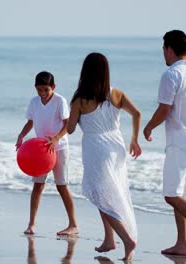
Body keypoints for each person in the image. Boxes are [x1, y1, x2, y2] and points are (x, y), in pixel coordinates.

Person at [66, 52, 142, 261]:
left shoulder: (80, 99)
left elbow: (71, 129)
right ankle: (109, 239)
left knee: (99, 194)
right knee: (107, 193)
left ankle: (126, 239)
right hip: (116, 146)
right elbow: (137, 113)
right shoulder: (115, 93)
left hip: (96, 148)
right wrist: (134, 139)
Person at [16, 71, 78, 236]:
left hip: (59, 148)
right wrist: (21, 135)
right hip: (40, 151)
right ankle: (31, 224)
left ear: (53, 87)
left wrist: (57, 138)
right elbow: (30, 122)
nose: (42, 94)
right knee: (38, 186)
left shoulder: (60, 101)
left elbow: (68, 124)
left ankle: (73, 224)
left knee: (62, 186)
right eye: (39, 90)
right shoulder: (34, 102)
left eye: (46, 90)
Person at [143, 30, 186, 256]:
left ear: (169, 49)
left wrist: (148, 127)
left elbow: (164, 109)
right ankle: (183, 244)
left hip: (179, 143)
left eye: (163, 49)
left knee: (171, 195)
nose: (163, 54)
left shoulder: (171, 74)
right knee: (179, 194)